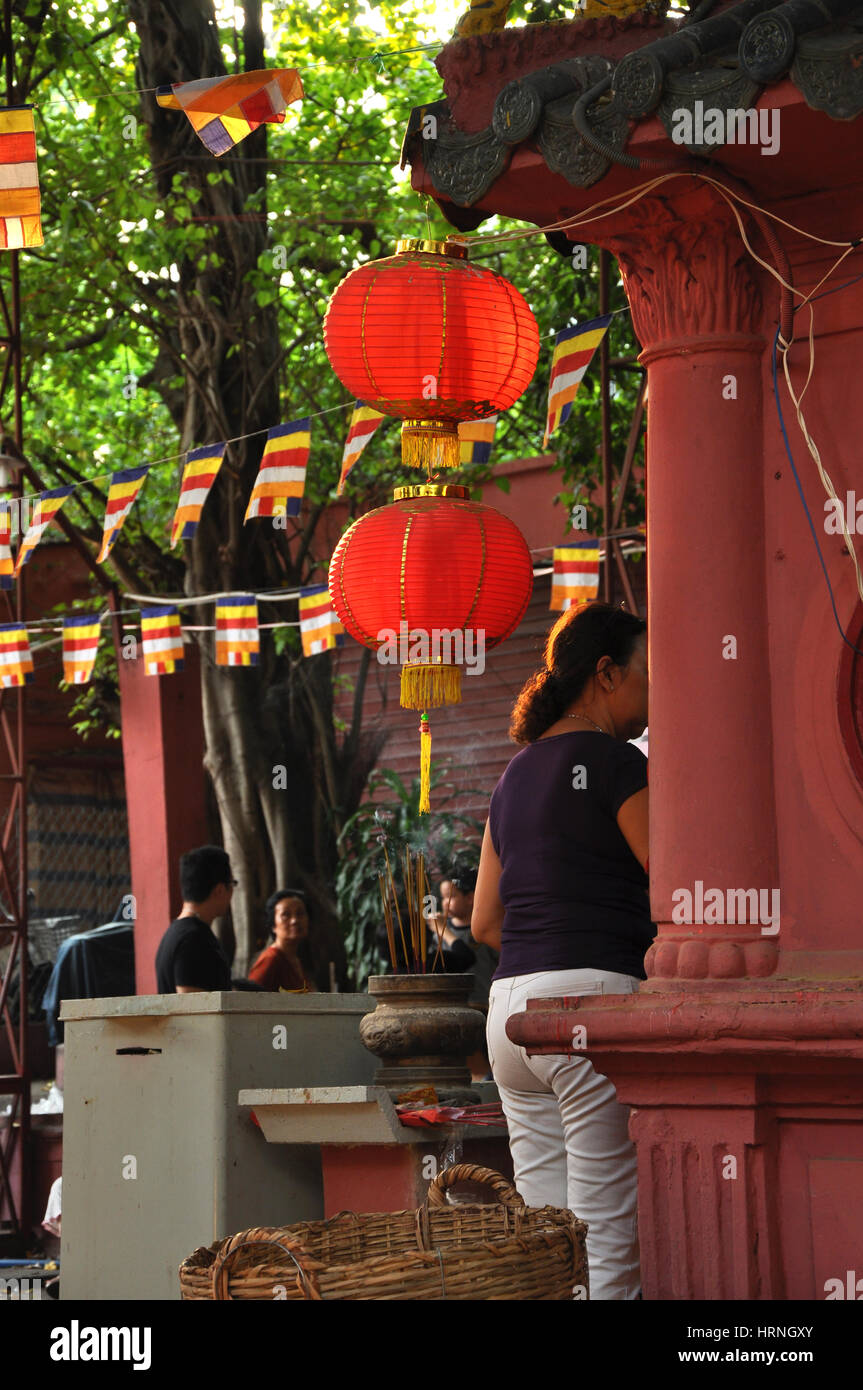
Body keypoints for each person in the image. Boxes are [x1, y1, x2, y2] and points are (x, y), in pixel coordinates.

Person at [471, 601, 652, 1301]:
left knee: (547, 1239)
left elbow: (486, 921)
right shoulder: (615, 762)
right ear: (604, 674)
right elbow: (670, 891)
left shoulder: (511, 777)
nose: (652, 691)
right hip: (590, 1006)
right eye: (645, 673)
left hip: (509, 1015)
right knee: (605, 1232)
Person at [155, 845, 235, 993]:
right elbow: (192, 1004)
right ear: (219, 890)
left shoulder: (178, 932)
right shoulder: (193, 939)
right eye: (232, 884)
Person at [248, 890, 317, 992]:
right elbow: (248, 1000)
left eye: (300, 913)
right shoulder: (270, 960)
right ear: (273, 924)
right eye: (286, 914)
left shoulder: (296, 960)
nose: (294, 921)